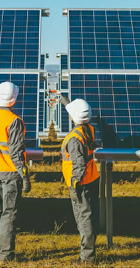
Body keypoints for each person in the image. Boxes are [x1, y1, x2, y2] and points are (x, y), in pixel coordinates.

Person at [0, 81, 32, 261]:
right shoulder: (14, 121)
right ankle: (7, 255)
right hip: (10, 174)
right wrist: (24, 176)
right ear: (14, 99)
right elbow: (16, 153)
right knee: (8, 214)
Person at [60, 97, 100, 264]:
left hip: (81, 184)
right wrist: (67, 103)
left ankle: (87, 258)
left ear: (73, 117)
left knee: (84, 219)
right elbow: (79, 114)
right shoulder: (88, 128)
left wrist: (74, 185)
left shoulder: (74, 138)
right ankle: (88, 252)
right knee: (89, 216)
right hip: (91, 178)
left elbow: (79, 164)